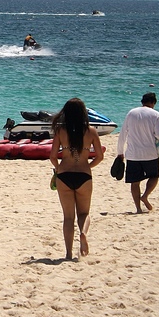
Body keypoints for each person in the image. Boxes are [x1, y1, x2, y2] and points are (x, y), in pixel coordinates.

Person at [49, 98, 103, 260]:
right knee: (84, 213)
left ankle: (68, 254)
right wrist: (88, 166)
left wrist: (59, 169)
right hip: (84, 175)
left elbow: (52, 156)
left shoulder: (60, 131)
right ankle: (83, 233)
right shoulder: (91, 131)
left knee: (68, 217)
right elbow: (100, 157)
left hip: (64, 175)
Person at [116, 92, 159, 213]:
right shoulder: (156, 114)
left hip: (133, 154)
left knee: (134, 182)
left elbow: (123, 133)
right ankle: (145, 195)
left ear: (142, 101)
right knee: (154, 176)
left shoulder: (131, 113)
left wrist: (120, 152)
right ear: (153, 103)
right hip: (150, 153)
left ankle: (138, 208)